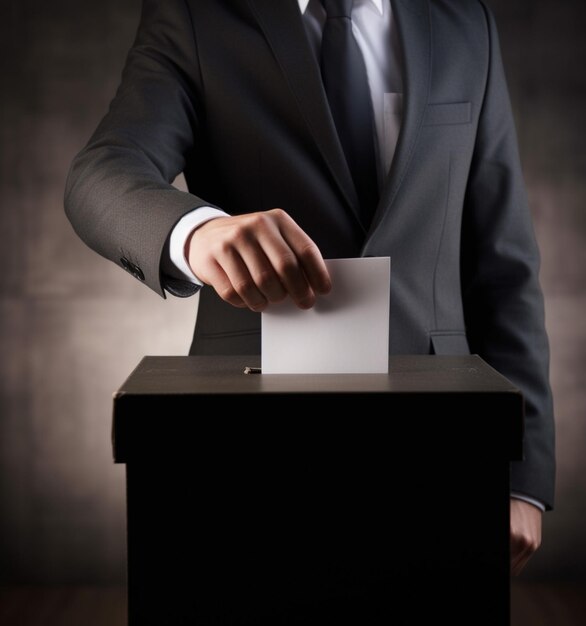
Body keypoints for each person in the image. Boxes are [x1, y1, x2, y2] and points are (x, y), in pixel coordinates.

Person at [64, 0, 555, 579]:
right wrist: (196, 232)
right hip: (248, 444)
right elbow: (103, 172)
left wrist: (522, 476)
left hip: (443, 445)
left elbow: (504, 265)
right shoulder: (198, 17)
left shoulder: (464, 23)